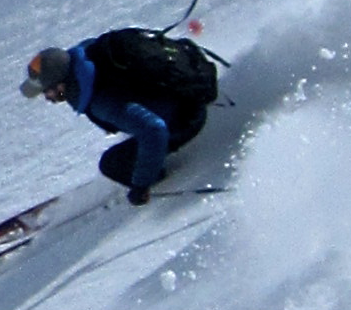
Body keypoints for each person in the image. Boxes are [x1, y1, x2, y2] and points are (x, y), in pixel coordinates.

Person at [21, 27, 217, 200]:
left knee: (112, 164)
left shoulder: (101, 101)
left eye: (47, 91)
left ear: (61, 84)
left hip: (187, 117)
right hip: (188, 96)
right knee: (136, 132)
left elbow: (154, 130)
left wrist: (141, 185)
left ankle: (167, 181)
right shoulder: (93, 56)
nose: (47, 98)